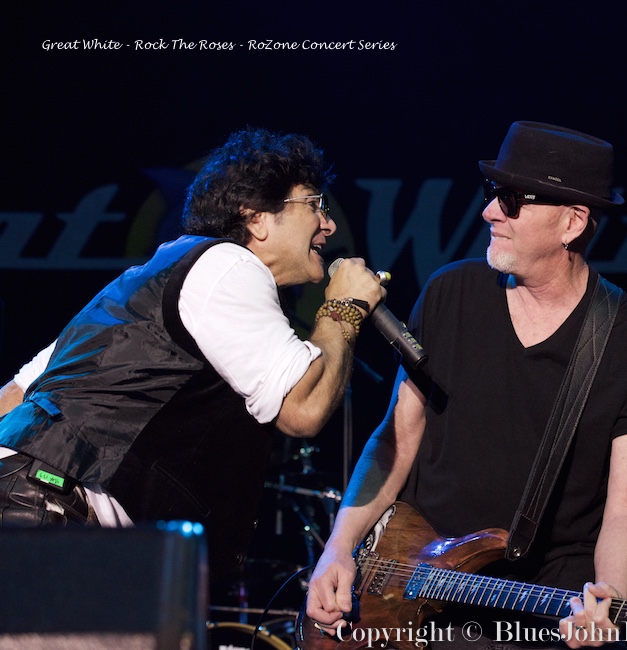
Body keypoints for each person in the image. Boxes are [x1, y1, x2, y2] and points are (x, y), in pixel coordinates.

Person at [305, 121, 627, 648]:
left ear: (572, 222)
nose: (489, 212)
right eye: (492, 192)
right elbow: (395, 440)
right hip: (408, 589)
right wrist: (339, 547)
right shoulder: (450, 292)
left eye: (512, 200)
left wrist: (610, 595)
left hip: (536, 612)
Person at [0, 126, 385, 582]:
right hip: (48, 511)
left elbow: (16, 396)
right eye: (314, 204)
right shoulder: (231, 265)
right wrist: (345, 307)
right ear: (257, 218)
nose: (329, 224)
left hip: (33, 502)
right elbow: (303, 408)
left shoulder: (157, 274)